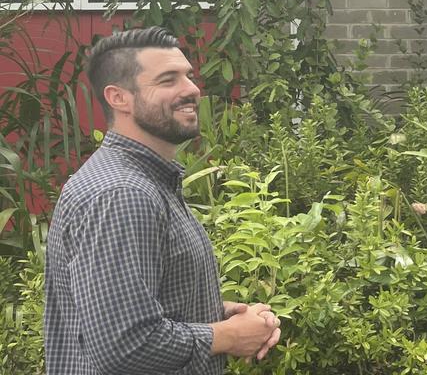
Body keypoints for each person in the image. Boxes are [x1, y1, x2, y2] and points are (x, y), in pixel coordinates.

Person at [44, 27, 282, 374]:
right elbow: (124, 344)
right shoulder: (122, 193)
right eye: (168, 80)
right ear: (118, 98)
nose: (191, 89)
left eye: (188, 75)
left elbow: (133, 309)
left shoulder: (148, 181)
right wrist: (225, 337)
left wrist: (223, 319)